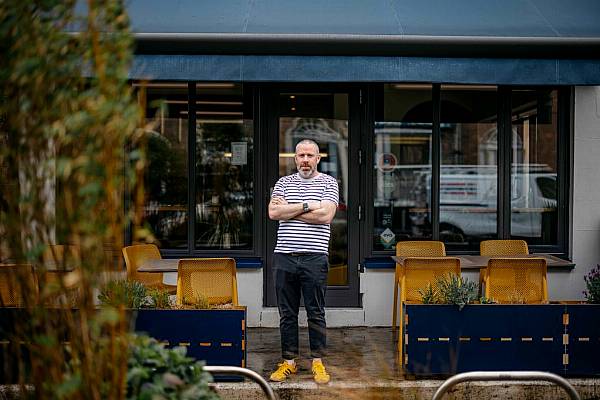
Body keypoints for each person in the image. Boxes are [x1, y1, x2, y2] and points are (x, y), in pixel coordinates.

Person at [267, 139, 338, 384]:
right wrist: (309, 205)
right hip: (284, 256)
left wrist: (293, 209)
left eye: (310, 155)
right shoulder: (282, 183)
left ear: (318, 158)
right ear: (295, 158)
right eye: (301, 155)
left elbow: (327, 215)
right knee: (287, 314)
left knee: (315, 312)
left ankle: (318, 362)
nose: (305, 160)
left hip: (315, 258)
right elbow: (274, 213)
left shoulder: (329, 182)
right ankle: (289, 363)